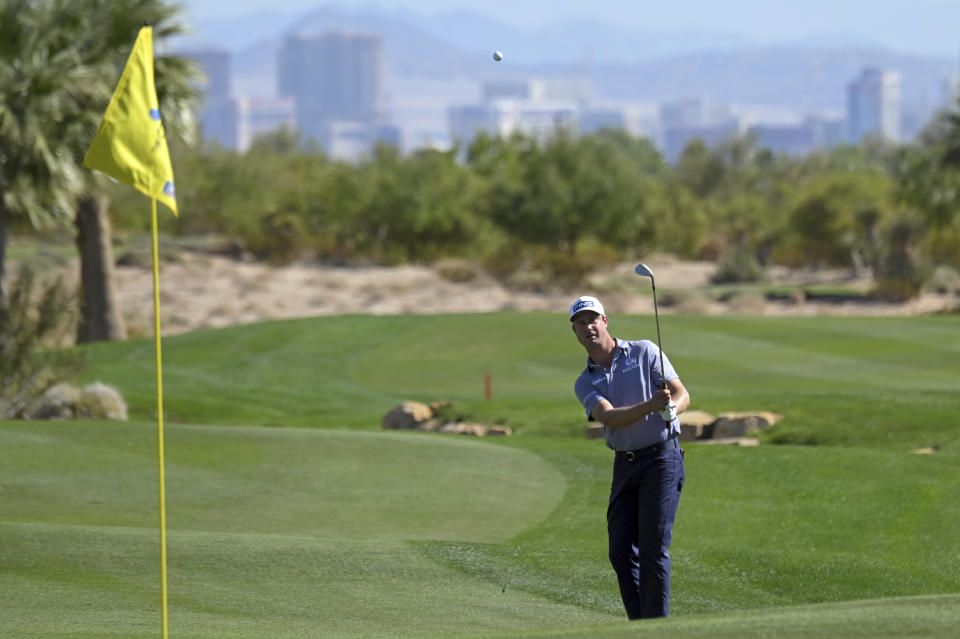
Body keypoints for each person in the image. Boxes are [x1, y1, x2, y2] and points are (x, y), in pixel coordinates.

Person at [569, 294, 690, 620]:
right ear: (575, 333)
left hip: (662, 459)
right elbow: (608, 418)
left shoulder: (645, 350)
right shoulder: (586, 381)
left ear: (605, 321)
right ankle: (641, 626)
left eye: (593, 319)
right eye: (580, 323)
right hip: (625, 464)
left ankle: (655, 627)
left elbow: (681, 394)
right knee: (621, 553)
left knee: (652, 550)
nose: (588, 327)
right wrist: (651, 405)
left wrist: (670, 407)